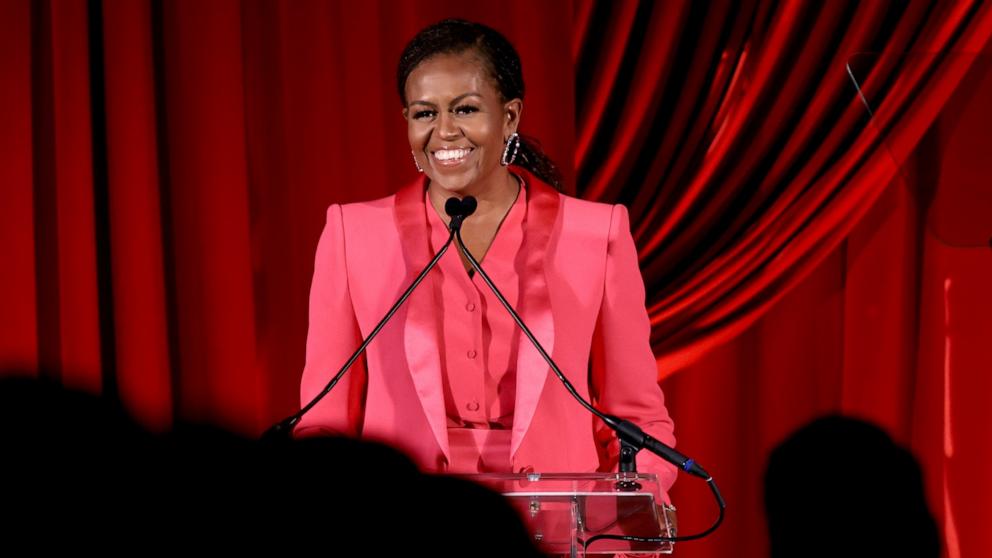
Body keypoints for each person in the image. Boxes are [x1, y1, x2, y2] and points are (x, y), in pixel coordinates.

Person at [293, 18, 678, 503]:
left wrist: (634, 504)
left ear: (510, 116)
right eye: (424, 114)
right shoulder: (353, 234)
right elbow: (324, 422)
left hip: (561, 526)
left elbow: (636, 418)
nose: (444, 132)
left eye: (466, 109)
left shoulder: (596, 232)